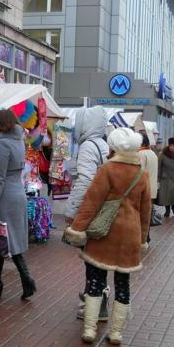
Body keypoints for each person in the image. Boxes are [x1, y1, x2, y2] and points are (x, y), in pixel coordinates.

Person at [66, 128, 151, 344]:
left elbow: (91, 202)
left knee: (96, 280)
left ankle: (90, 330)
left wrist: (77, 229)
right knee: (123, 283)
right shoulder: (142, 173)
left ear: (113, 147)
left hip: (105, 232)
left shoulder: (107, 169)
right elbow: (145, 211)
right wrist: (142, 239)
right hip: (130, 234)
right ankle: (116, 333)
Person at [0, 109, 35, 300]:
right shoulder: (17, 140)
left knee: (5, 239)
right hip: (15, 192)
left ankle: (27, 279)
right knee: (2, 239)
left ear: (3, 124)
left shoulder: (2, 144)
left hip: (4, 196)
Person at [64, 106, 111, 321]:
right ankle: (96, 299)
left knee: (91, 260)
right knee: (99, 259)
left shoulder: (87, 147)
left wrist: (71, 211)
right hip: (104, 210)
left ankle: (96, 305)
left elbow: (85, 181)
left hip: (91, 210)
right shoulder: (104, 144)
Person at [138, 131, 158, 242]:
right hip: (152, 189)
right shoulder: (152, 153)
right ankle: (147, 236)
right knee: (147, 213)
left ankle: (143, 237)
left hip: (144, 189)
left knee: (141, 214)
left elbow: (139, 173)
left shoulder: (141, 154)